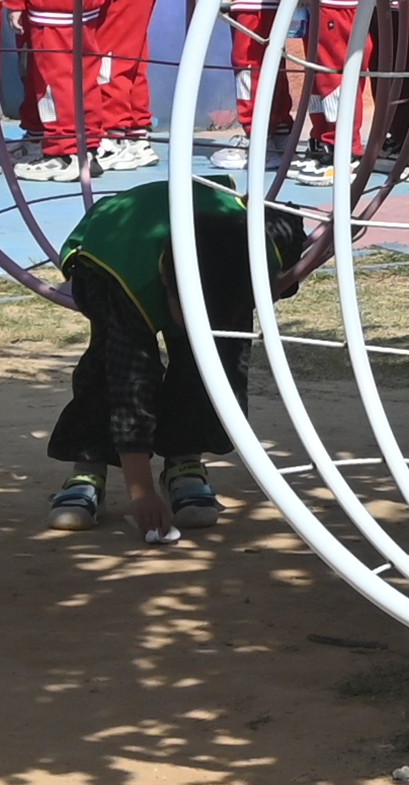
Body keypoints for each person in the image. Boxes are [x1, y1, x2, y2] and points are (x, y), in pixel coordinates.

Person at [44, 165, 287, 541]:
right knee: (111, 363)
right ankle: (89, 462)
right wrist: (141, 493)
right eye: (190, 312)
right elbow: (131, 388)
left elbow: (293, 227)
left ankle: (185, 457)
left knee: (218, 357)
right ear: (166, 283)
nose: (196, 324)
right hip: (113, 247)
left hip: (211, 227)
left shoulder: (265, 249)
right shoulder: (128, 282)